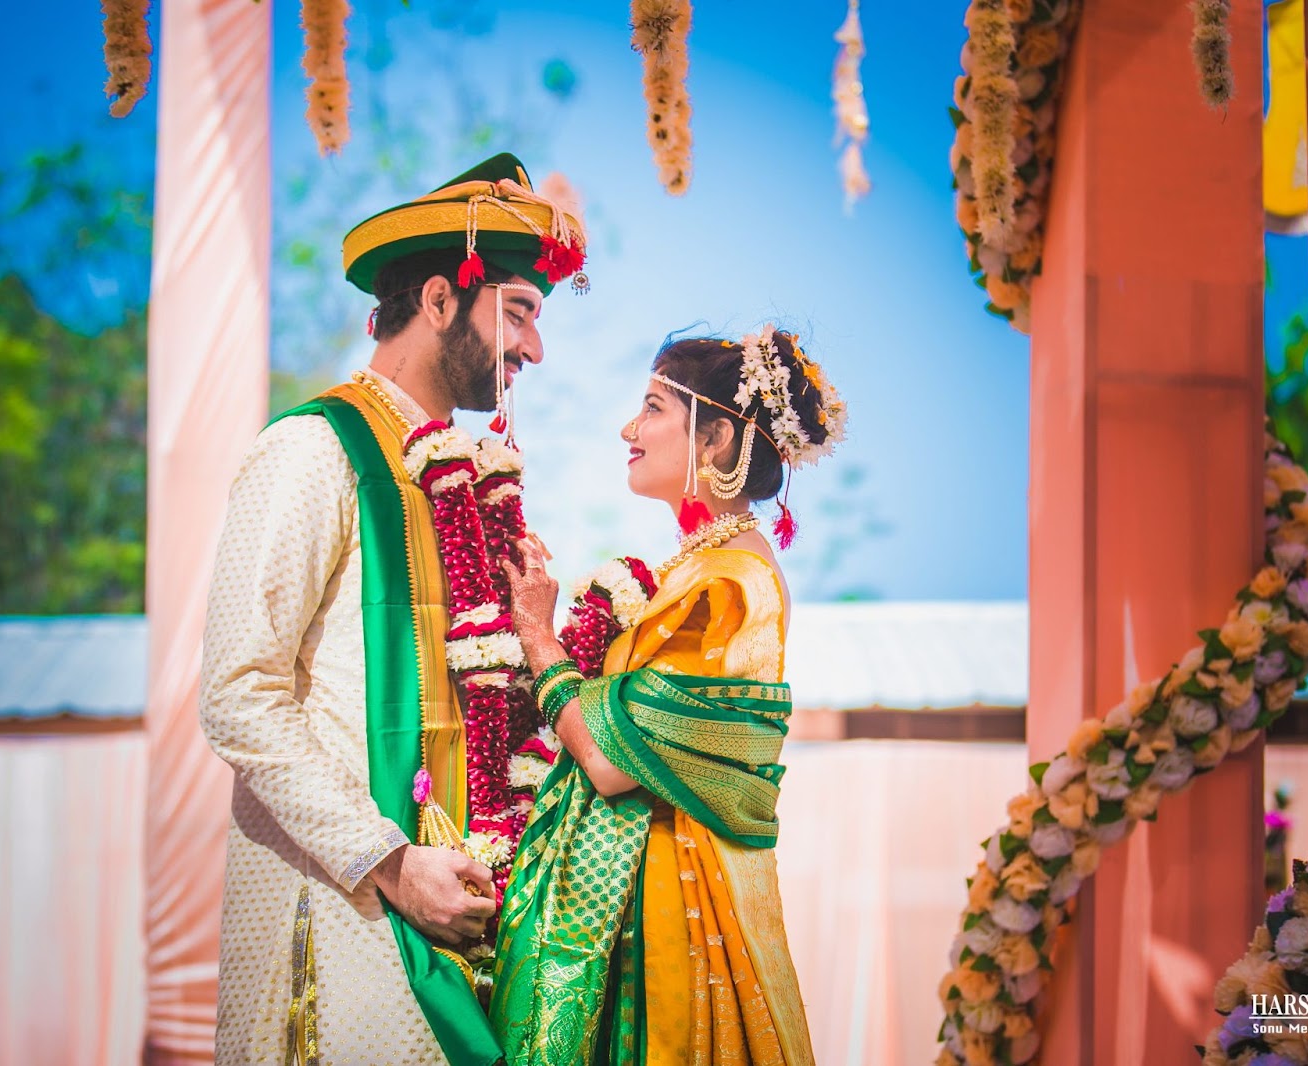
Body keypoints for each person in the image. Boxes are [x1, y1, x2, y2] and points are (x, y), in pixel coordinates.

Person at [198, 152, 586, 1066]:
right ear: (441, 301)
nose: (534, 350)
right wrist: (390, 862)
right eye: (520, 312)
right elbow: (237, 693)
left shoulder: (464, 481)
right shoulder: (311, 451)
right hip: (344, 918)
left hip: (461, 924)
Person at [491, 325, 847, 1065]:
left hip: (671, 911)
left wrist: (536, 634)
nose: (630, 428)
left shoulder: (726, 585)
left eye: (652, 407)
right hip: (649, 890)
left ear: (716, 437)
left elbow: (611, 764)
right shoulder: (702, 568)